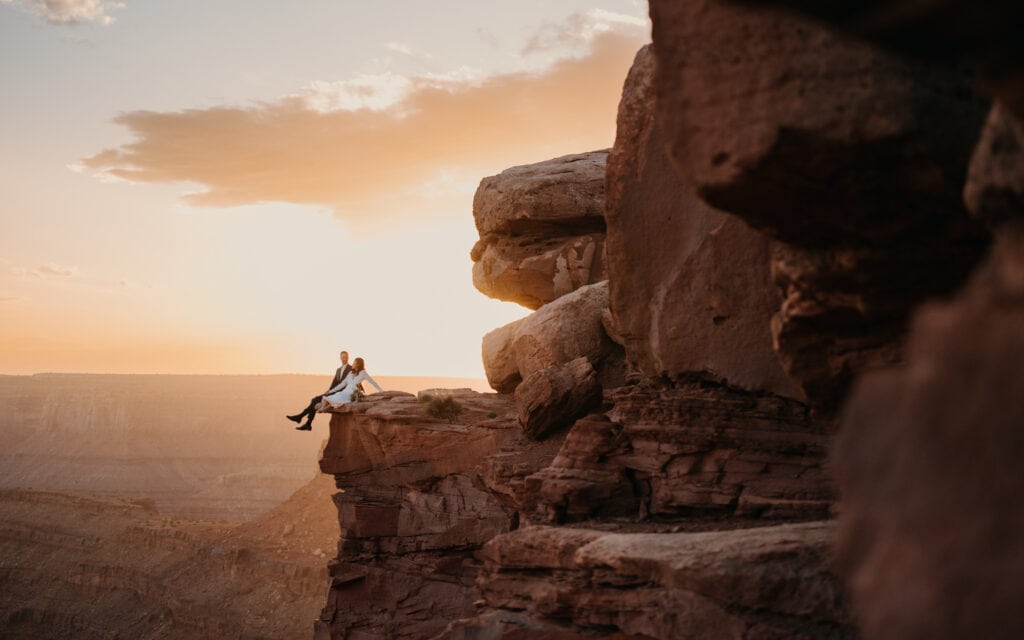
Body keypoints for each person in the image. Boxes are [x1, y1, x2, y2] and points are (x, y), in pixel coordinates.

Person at [288, 350, 352, 431]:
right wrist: (328, 390)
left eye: (345, 357)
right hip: (333, 392)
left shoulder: (351, 369)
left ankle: (303, 420)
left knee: (316, 402)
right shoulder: (338, 370)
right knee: (314, 399)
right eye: (343, 357)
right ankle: (305, 421)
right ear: (340, 358)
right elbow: (334, 383)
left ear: (348, 358)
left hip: (340, 394)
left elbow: (351, 382)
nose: (344, 359)